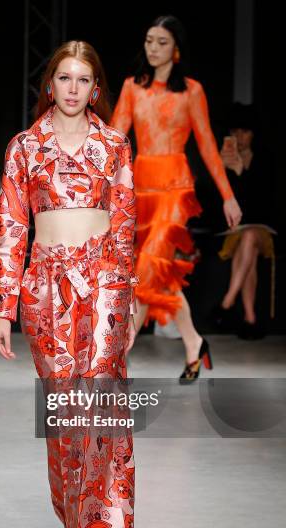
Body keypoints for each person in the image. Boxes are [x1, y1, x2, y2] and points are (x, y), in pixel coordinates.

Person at [0, 40, 138, 528]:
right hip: (46, 289)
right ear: (48, 85)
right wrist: (4, 306)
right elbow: (11, 226)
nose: (73, 89)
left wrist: (125, 300)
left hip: (102, 286)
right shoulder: (25, 148)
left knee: (97, 411)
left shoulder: (115, 146)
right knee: (64, 418)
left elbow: (124, 227)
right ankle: (73, 518)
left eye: (83, 79)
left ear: (95, 88)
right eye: (64, 78)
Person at [111, 15, 242, 382]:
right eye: (149, 40)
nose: (153, 48)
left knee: (147, 268)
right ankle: (194, 344)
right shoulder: (132, 87)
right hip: (140, 192)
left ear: (177, 49)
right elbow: (114, 140)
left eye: (161, 42)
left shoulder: (192, 91)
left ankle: (118, 355)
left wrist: (228, 196)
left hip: (175, 192)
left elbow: (209, 148)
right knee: (160, 277)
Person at [214, 102, 277, 339]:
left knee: (249, 236)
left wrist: (242, 172)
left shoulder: (265, 159)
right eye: (237, 131)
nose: (240, 136)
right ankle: (250, 319)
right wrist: (222, 170)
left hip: (262, 228)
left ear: (254, 133)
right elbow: (220, 205)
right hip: (237, 230)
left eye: (246, 131)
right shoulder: (225, 161)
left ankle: (227, 303)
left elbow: (262, 204)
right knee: (245, 244)